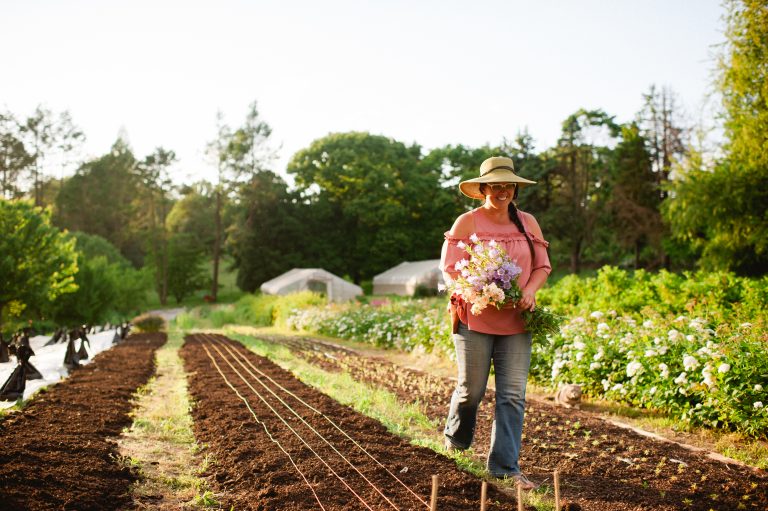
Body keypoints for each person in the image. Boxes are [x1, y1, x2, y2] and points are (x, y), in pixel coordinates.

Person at [440, 156, 551, 489]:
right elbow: (450, 271)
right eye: (496, 185)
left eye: (508, 185)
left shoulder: (528, 223)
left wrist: (530, 291)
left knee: (513, 395)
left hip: (518, 321)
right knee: (470, 391)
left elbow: (542, 266)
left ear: (514, 189)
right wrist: (476, 291)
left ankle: (505, 467)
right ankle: (456, 442)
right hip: (474, 318)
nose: (503, 191)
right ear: (483, 187)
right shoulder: (467, 223)